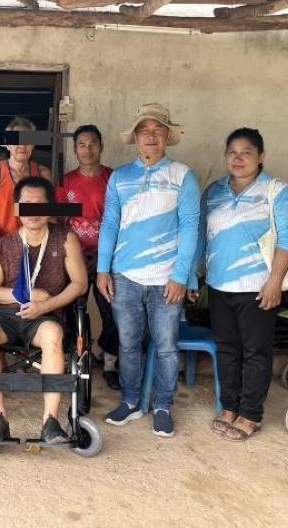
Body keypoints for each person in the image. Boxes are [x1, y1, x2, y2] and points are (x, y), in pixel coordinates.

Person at [191, 128, 288, 441]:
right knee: (227, 349)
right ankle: (229, 406)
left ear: (261, 156)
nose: (238, 159)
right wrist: (193, 275)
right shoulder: (214, 192)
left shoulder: (277, 192)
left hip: (258, 286)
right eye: (232, 153)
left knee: (256, 352)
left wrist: (275, 281)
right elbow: (201, 236)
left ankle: (251, 413)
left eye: (246, 153)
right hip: (219, 285)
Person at [97, 103, 200, 438]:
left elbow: (190, 227)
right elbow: (109, 223)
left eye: (158, 131)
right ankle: (131, 402)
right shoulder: (119, 177)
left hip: (166, 278)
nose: (151, 136)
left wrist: (181, 275)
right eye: (144, 131)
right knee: (128, 344)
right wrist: (102, 269)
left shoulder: (182, 176)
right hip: (124, 276)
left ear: (167, 137)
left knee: (167, 346)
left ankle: (163, 406)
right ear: (136, 138)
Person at [0, 176, 87, 443]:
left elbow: (80, 284)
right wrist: (23, 295)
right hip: (8, 316)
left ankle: (50, 421)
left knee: (53, 335)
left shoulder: (65, 238)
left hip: (46, 317)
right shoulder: (6, 244)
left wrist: (45, 304)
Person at [57, 124, 119, 390]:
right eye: (81, 145)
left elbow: (121, 219)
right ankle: (77, 358)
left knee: (112, 312)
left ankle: (109, 361)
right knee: (73, 311)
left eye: (93, 143)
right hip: (76, 259)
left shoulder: (113, 179)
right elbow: (60, 223)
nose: (87, 149)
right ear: (75, 150)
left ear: (101, 146)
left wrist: (103, 257)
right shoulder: (66, 182)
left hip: (108, 259)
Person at [0, 117, 52, 255]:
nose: (22, 145)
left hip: (36, 249)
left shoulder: (44, 173)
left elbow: (50, 213)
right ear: (7, 144)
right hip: (2, 247)